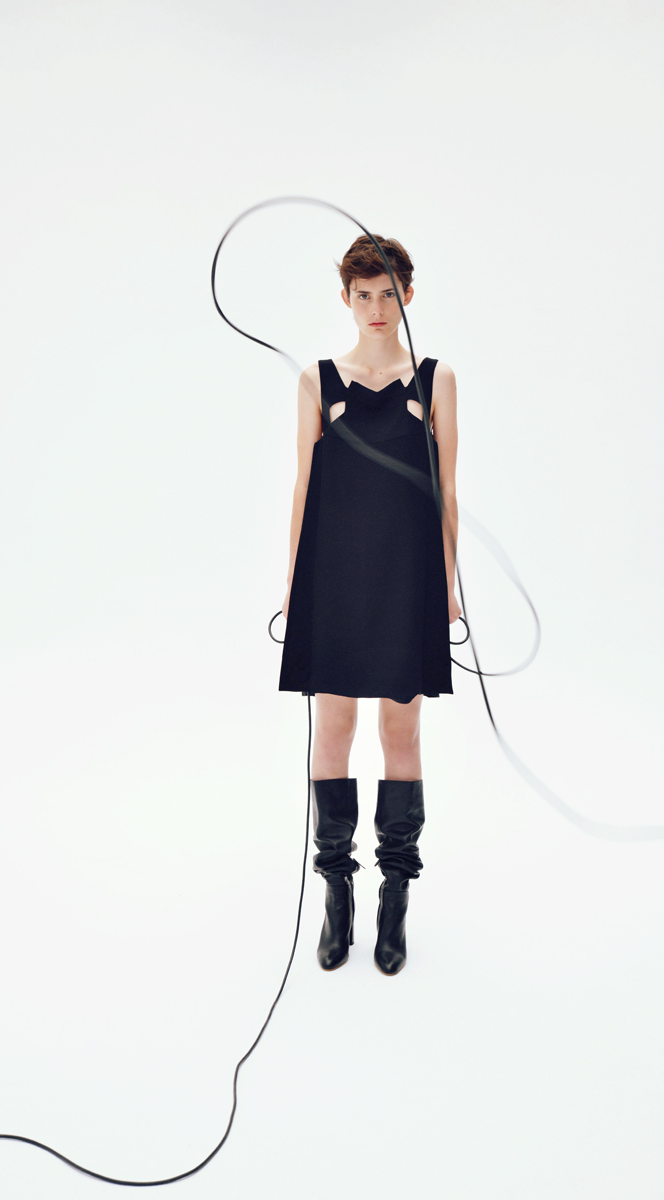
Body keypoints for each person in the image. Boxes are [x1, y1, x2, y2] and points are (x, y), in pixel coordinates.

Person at [279, 234, 460, 975]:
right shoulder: (316, 381)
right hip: (333, 579)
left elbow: (448, 491)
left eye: (388, 294)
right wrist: (292, 584)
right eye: (363, 296)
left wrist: (448, 584)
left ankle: (394, 899)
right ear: (345, 299)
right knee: (334, 727)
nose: (376, 308)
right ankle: (336, 895)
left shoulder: (436, 378)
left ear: (407, 296)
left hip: (407, 580)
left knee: (400, 730)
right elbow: (302, 486)